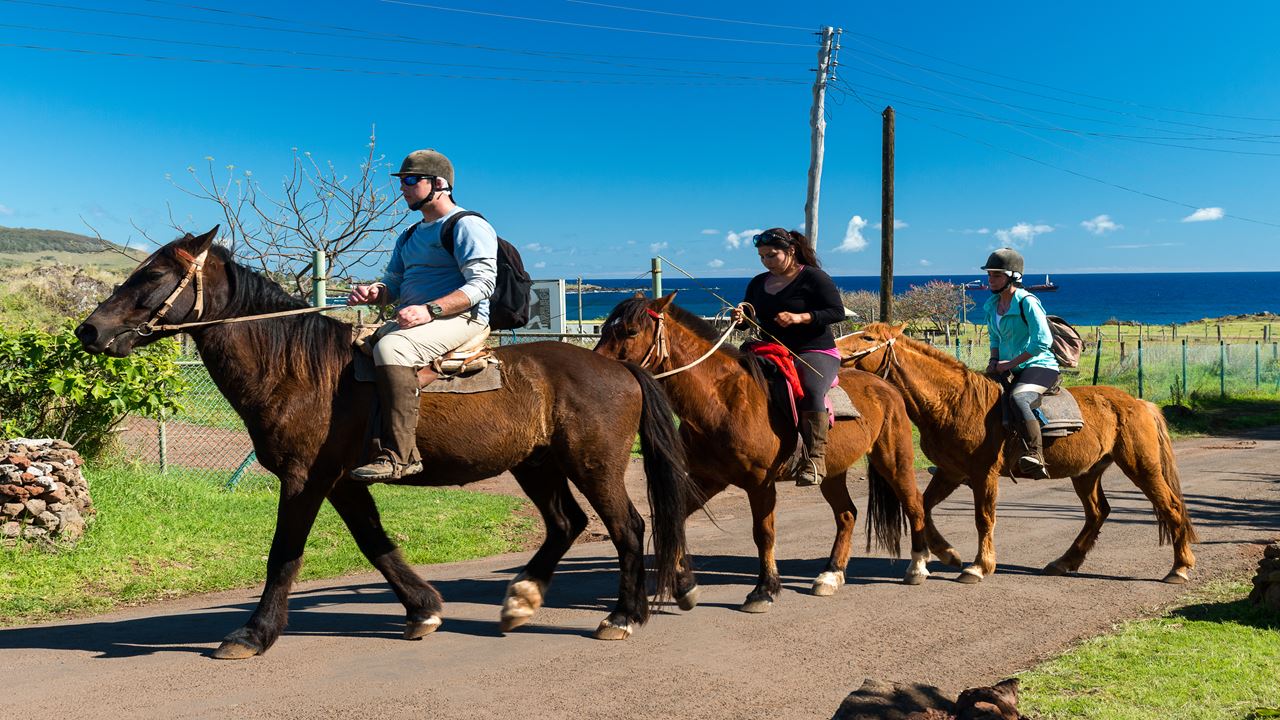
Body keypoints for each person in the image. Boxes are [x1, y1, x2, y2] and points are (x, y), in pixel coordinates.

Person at [346, 149, 498, 481]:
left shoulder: (467, 225)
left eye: (411, 180)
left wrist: (430, 310)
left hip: (462, 319)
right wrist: (376, 292)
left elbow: (483, 284)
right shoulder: (411, 234)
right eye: (402, 181)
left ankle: (402, 456)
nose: (403, 188)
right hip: (418, 320)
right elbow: (395, 281)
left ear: (439, 184)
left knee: (391, 349)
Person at [732, 228, 846, 487]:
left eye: (771, 255)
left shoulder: (815, 278)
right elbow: (749, 319)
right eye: (762, 257)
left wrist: (800, 318)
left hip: (814, 350)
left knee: (810, 389)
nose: (766, 262)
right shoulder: (758, 283)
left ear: (791, 251)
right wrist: (740, 319)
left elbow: (836, 312)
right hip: (769, 350)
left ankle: (816, 459)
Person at [981, 247, 1059, 480]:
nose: (991, 280)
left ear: (1013, 277)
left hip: (1040, 366)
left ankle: (1035, 454)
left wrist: (1010, 363)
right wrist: (994, 361)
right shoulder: (992, 305)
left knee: (1018, 398)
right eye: (990, 275)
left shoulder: (1027, 302)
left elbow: (1043, 341)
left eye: (996, 275)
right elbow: (994, 337)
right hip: (1007, 365)